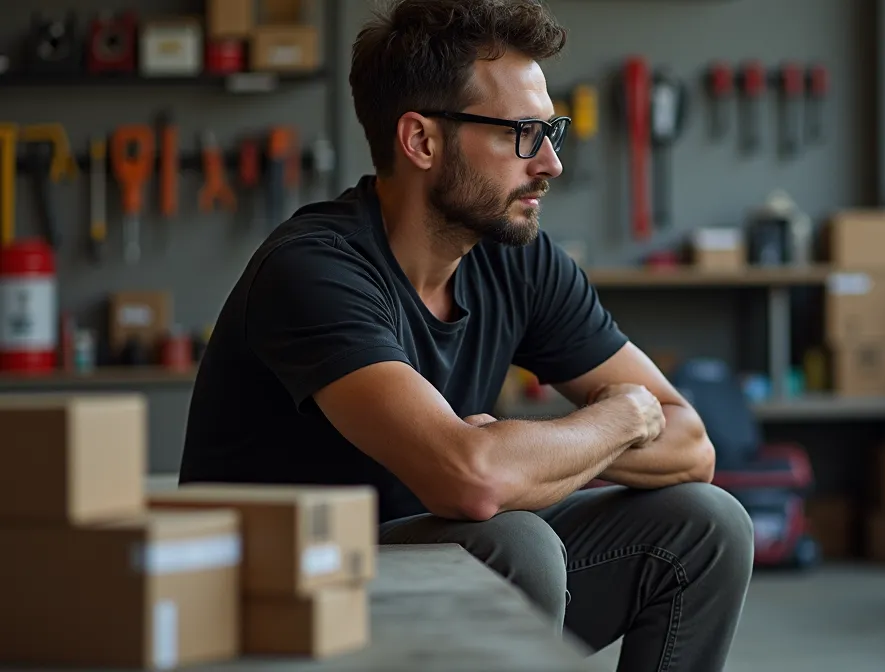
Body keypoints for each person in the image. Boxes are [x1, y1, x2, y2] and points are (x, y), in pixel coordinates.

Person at [177, 0, 754, 669]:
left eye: (551, 133)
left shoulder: (517, 256)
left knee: (707, 524)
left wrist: (540, 448)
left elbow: (690, 445)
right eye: (521, 135)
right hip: (280, 600)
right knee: (512, 544)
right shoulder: (312, 270)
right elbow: (472, 482)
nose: (550, 165)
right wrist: (611, 424)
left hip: (421, 569)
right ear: (421, 140)